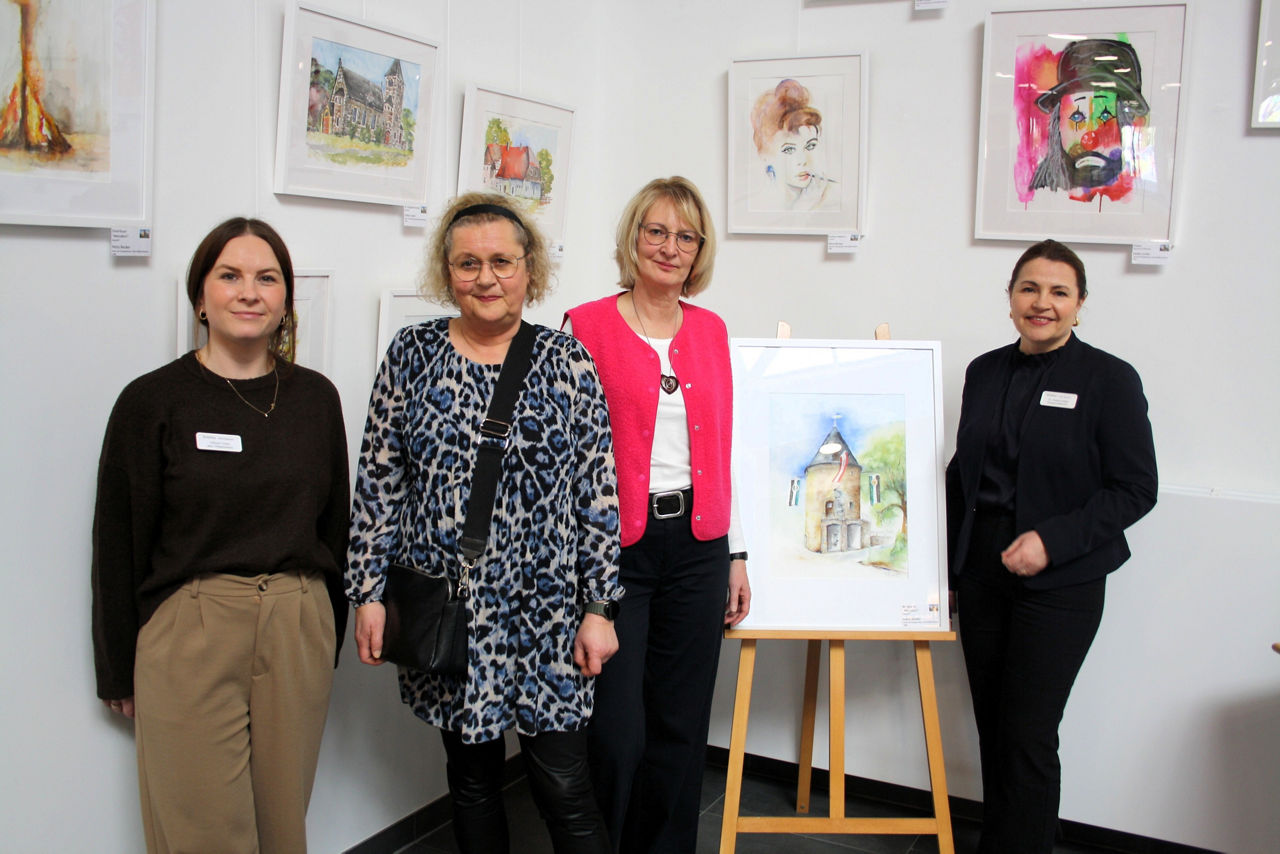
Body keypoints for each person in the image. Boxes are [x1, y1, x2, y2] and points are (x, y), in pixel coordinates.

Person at [346, 192, 621, 854]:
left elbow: (599, 495)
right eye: (468, 263)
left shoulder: (566, 362)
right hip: (452, 608)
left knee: (563, 783)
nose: (486, 278)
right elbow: (380, 481)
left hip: (549, 613)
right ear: (447, 271)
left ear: (530, 269)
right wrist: (368, 593)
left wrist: (601, 606)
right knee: (470, 780)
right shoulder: (412, 355)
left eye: (502, 260)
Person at [92, 217, 350, 854]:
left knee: (284, 827)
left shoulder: (316, 398)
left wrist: (325, 635)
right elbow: (118, 540)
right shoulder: (152, 402)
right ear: (200, 295)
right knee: (204, 833)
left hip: (296, 624)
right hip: (192, 628)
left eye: (267, 278)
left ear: (286, 299)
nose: (249, 292)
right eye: (229, 275)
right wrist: (116, 667)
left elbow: (335, 525)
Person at [945, 239, 1157, 853]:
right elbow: (965, 472)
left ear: (1080, 304)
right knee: (993, 725)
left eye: (1059, 292)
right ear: (1010, 299)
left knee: (1029, 735)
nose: (1043, 303)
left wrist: (1050, 540)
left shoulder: (1109, 380)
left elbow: (1136, 489)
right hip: (983, 574)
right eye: (1029, 289)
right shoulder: (983, 371)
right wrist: (946, 572)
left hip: (1061, 584)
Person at [564, 176, 752, 853]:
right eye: (657, 231)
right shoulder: (585, 325)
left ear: (699, 250)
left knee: (680, 726)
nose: (670, 247)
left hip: (698, 546)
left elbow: (729, 447)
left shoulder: (711, 331)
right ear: (634, 237)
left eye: (685, 236)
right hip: (616, 550)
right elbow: (571, 453)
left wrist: (735, 553)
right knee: (616, 730)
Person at [1029, 39, 1150, 200]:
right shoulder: (1043, 191)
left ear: (1126, 122)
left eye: (1105, 116)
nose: (1089, 139)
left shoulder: (1141, 190)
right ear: (1058, 124)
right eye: (1077, 117)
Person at [749, 79, 836, 211]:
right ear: (764, 154)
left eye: (810, 146)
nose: (803, 161)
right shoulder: (756, 203)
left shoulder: (832, 197)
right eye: (789, 149)